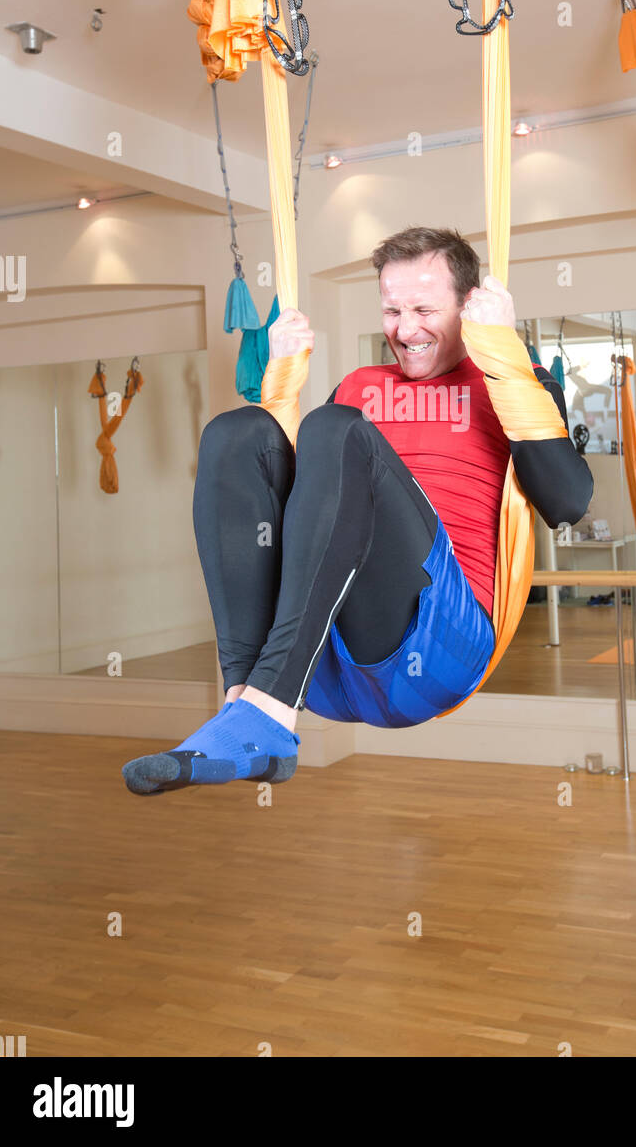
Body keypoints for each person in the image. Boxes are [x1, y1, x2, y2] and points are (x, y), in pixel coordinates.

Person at [122, 227, 594, 794]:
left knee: (335, 428)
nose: (405, 328)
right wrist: (281, 381)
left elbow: (567, 504)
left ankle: (267, 710)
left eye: (424, 308)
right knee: (235, 431)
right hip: (321, 662)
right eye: (392, 310)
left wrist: (505, 352)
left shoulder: (511, 380)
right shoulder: (360, 386)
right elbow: (297, 495)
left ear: (469, 306)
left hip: (437, 643)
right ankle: (246, 706)